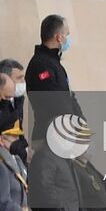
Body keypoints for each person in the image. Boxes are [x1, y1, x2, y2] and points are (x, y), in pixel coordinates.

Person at [26, 14, 80, 142]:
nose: (68, 38)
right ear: (59, 37)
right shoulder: (41, 65)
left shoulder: (55, 64)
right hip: (49, 136)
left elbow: (70, 98)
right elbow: (54, 102)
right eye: (67, 34)